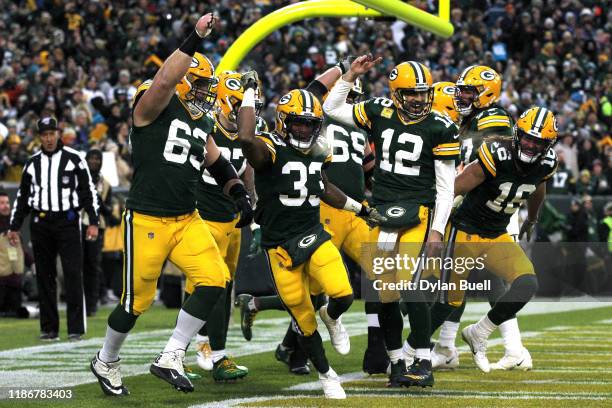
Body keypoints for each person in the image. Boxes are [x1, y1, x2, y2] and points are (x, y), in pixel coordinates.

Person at [90, 13, 253, 396]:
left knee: (215, 280)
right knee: (134, 304)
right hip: (147, 218)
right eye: (196, 84)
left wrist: (238, 192)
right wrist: (194, 37)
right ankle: (106, 360)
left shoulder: (200, 120)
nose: (203, 92)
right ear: (181, 82)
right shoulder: (150, 109)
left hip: (187, 218)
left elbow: (216, 159)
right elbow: (163, 80)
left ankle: (171, 355)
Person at [236, 76, 384, 399]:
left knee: (343, 294)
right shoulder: (269, 150)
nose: (305, 130)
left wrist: (360, 208)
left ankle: (331, 318)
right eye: (299, 124)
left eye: (310, 124)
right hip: (279, 247)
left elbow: (325, 188)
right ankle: (326, 374)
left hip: (312, 234)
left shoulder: (319, 150)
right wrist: (248, 92)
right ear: (284, 122)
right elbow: (246, 138)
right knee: (304, 320)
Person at [324, 56, 459, 388]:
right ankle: (397, 363)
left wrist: (438, 229)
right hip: (381, 212)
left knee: (410, 286)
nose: (419, 99)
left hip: (418, 212)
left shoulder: (440, 126)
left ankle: (423, 362)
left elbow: (446, 186)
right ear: (397, 94)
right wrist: (350, 75)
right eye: (411, 93)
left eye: (423, 93)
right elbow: (331, 108)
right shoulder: (378, 111)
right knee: (384, 293)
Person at [437, 107, 558, 372]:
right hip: (465, 231)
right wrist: (434, 225)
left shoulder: (548, 162)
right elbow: (454, 188)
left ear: (548, 145)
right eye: (527, 138)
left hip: (497, 233)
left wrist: (532, 218)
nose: (530, 144)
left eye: (538, 142)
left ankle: (479, 332)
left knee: (526, 283)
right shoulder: (496, 153)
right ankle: (410, 353)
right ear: (517, 134)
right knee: (447, 302)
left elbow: (539, 186)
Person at [431, 66, 528, 371]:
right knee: (457, 275)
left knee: (494, 280)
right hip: (476, 206)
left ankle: (514, 348)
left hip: (494, 208)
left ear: (486, 94)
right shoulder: (472, 120)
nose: (462, 96)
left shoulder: (493, 118)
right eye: (461, 91)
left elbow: (486, 162)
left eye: (468, 92)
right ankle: (447, 346)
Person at [183, 70, 263, 381]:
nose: (249, 112)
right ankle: (198, 348)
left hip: (231, 221)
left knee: (225, 289)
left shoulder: (248, 134)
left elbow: (249, 178)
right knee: (205, 287)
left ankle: (211, 349)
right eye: (242, 105)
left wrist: (254, 220)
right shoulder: (206, 128)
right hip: (203, 219)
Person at [8, 116, 99, 341]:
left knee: (71, 274)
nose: (49, 138)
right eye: (45, 135)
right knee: (45, 276)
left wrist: (94, 222)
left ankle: (76, 328)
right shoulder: (32, 163)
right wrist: (14, 226)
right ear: (40, 137)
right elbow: (22, 197)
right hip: (41, 223)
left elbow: (89, 192)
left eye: (52, 133)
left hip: (68, 222)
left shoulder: (75, 159)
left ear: (58, 134)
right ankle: (49, 328)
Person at [82, 149, 113, 317]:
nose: (94, 161)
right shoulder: (79, 178)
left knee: (93, 265)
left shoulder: (105, 183)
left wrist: (99, 202)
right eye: (91, 158)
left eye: (97, 159)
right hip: (79, 224)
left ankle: (92, 304)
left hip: (96, 227)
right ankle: (80, 302)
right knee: (78, 264)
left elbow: (108, 211)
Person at [0, 190, 27, 317]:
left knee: (15, 312)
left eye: (7, 203)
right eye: (1, 203)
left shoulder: (14, 223)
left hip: (15, 280)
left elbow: (22, 249)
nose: (5, 206)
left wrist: (32, 263)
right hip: (1, 280)